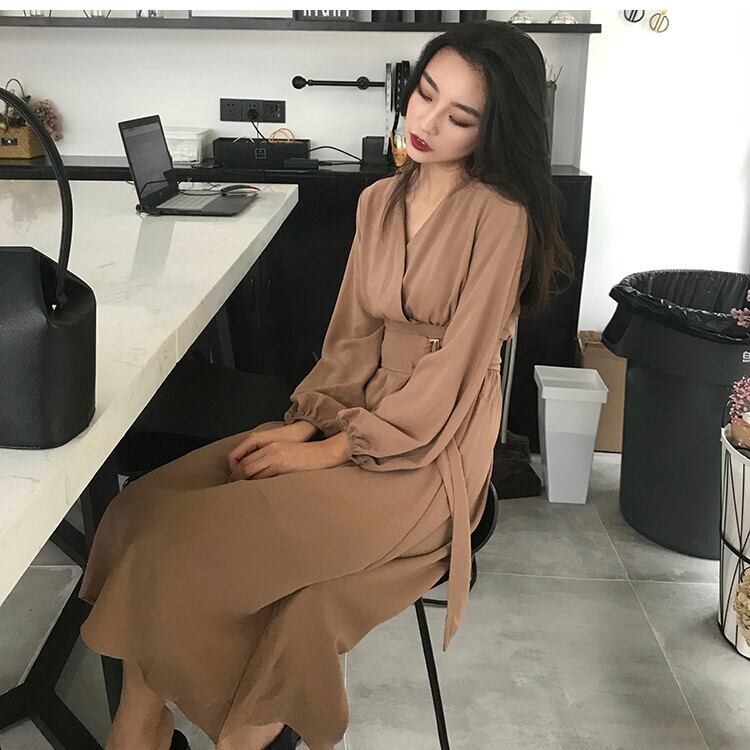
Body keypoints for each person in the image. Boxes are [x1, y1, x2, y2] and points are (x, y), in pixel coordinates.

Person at [77, 19, 575, 750]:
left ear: (493, 130)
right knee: (137, 513)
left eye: (460, 117)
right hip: (351, 416)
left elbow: (453, 375)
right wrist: (307, 423)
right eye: (425, 94)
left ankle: (150, 733)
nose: (428, 122)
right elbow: (349, 339)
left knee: (180, 549)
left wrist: (332, 451)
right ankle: (145, 725)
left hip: (424, 455)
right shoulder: (380, 201)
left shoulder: (501, 219)